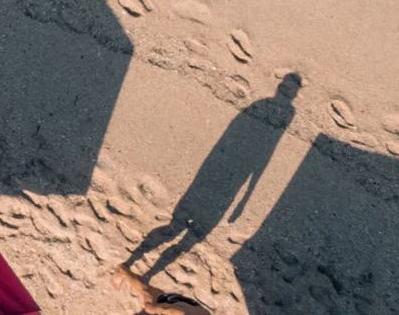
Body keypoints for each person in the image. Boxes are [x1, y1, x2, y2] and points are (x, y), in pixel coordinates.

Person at [126, 72, 301, 281]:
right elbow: (264, 157)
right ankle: (137, 268)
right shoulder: (286, 113)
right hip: (223, 185)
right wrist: (246, 195)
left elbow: (238, 139)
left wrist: (246, 193)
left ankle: (132, 266)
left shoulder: (268, 107)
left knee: (176, 227)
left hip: (211, 178)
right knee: (183, 234)